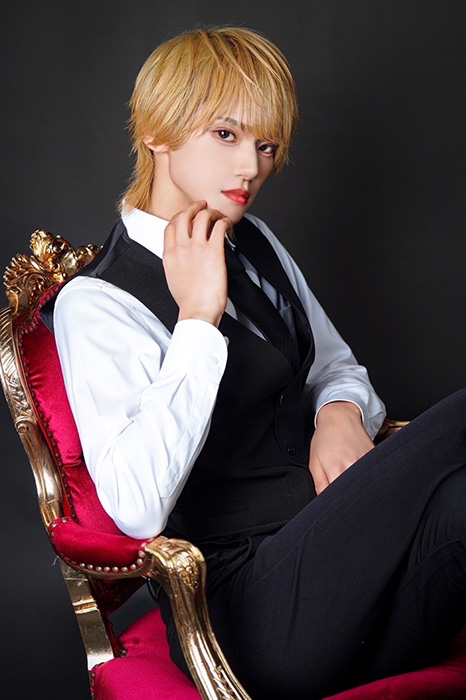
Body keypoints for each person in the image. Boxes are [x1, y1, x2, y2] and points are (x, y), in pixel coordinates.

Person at [47, 26, 466, 700]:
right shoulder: (98, 302)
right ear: (156, 132)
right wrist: (197, 318)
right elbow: (135, 509)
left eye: (266, 146)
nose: (251, 167)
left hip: (351, 584)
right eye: (226, 135)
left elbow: (337, 368)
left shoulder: (256, 242)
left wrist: (338, 413)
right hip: (249, 621)